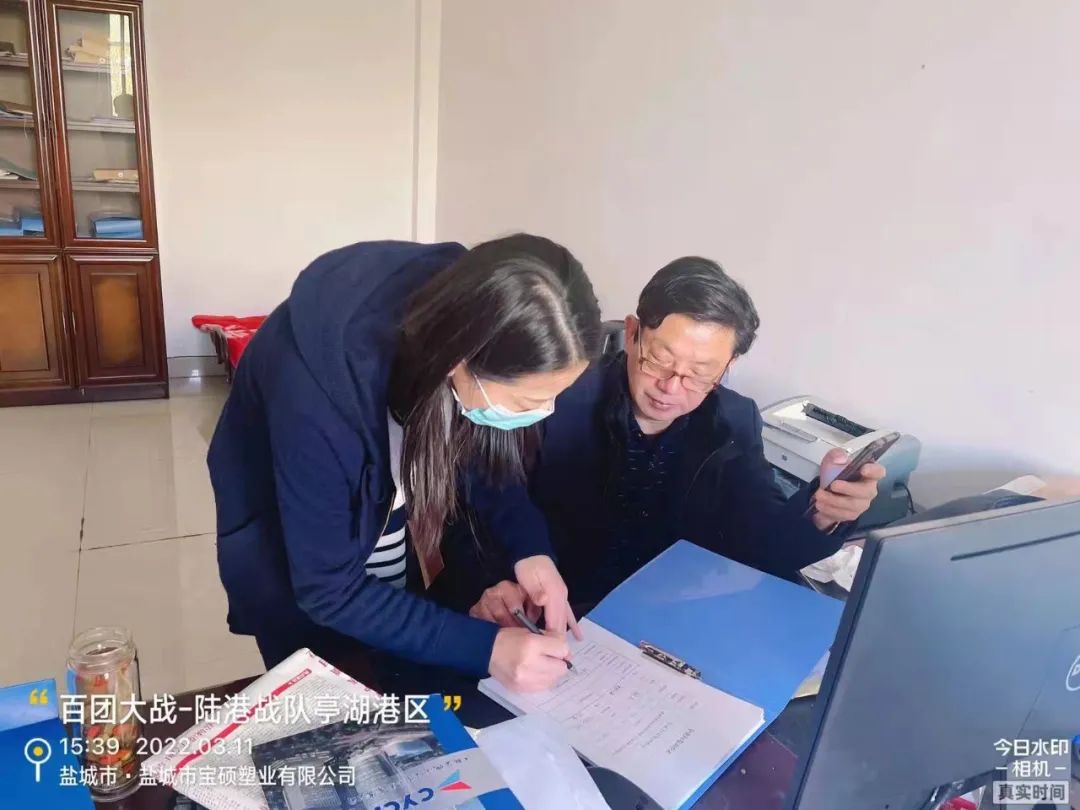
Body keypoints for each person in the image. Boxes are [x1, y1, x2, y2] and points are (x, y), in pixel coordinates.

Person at [207, 235, 601, 692]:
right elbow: (328, 590)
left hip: (378, 510)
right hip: (294, 551)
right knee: (324, 685)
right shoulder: (314, 397)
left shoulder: (471, 313)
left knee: (395, 641)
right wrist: (487, 649)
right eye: (528, 402)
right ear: (458, 362)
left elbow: (484, 456)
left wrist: (531, 553)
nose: (544, 413)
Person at [449, 256, 886, 623]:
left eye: (699, 373)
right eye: (660, 359)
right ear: (633, 333)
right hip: (546, 615)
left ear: (728, 366)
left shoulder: (733, 421)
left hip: (661, 624)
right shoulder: (556, 395)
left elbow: (764, 547)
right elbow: (480, 501)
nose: (671, 388)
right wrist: (496, 584)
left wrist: (823, 514)